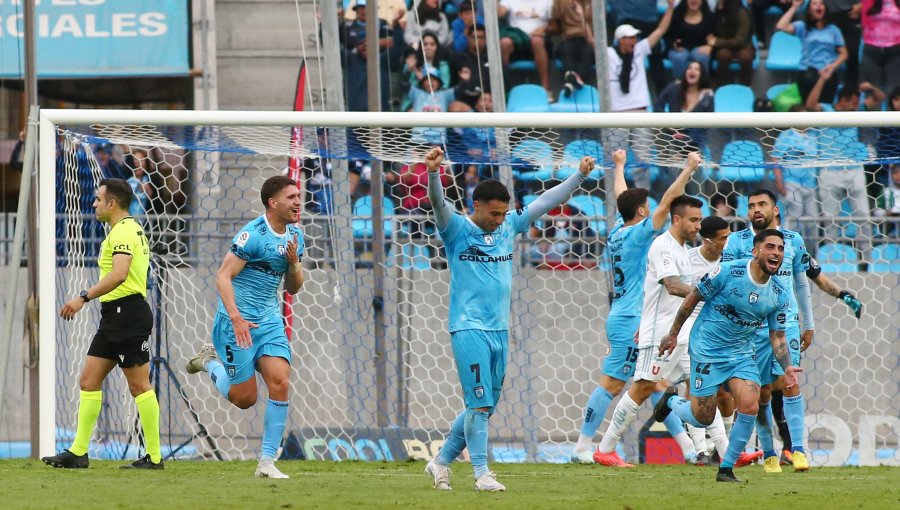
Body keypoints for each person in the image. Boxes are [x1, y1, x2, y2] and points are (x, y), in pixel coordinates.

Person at [422, 146, 594, 491]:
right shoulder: (455, 229)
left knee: (482, 406)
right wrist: (431, 173)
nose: (500, 220)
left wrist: (579, 176)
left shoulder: (508, 226)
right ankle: (481, 473)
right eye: (494, 214)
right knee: (480, 402)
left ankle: (440, 462)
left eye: (503, 214)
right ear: (477, 206)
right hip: (468, 327)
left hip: (500, 329)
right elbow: (439, 204)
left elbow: (545, 201)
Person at [570, 150, 701, 465]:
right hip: (632, 320)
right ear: (642, 211)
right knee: (614, 383)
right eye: (649, 209)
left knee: (655, 384)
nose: (654, 213)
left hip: (625, 315)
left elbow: (621, 197)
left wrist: (618, 166)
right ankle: (583, 447)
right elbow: (669, 202)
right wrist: (687, 170)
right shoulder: (640, 236)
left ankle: (690, 450)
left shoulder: (619, 230)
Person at [723, 190, 863, 473]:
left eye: (762, 204)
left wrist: (807, 324)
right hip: (750, 328)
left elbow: (801, 284)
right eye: (751, 206)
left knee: (791, 383)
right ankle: (769, 453)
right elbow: (727, 283)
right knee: (760, 392)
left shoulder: (793, 241)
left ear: (776, 209)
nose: (756, 210)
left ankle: (798, 450)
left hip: (784, 324)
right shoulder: (736, 242)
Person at [653, 229, 799, 483]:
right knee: (703, 417)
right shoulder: (728, 271)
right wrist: (673, 334)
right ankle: (672, 402)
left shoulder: (779, 294)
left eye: (781, 249)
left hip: (741, 353)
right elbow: (692, 297)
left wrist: (787, 367)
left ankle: (726, 469)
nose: (777, 253)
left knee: (751, 404)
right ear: (756, 251)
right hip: (707, 348)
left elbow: (777, 337)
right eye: (771, 247)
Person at [186, 176, 305, 479]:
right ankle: (211, 363)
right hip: (235, 322)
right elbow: (222, 277)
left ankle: (266, 463)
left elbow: (293, 288)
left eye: (299, 196)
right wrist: (236, 317)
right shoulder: (251, 235)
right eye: (291, 197)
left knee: (280, 381)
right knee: (245, 399)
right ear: (273, 202)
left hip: (268, 320)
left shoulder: (295, 236)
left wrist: (293, 263)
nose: (297, 202)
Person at [42, 178, 161, 470]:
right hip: (115, 315)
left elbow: (119, 274)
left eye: (98, 199)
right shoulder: (127, 229)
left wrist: (83, 297)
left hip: (127, 314)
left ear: (112, 203)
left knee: (139, 386)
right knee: (89, 380)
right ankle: (79, 452)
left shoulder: (123, 231)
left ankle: (155, 457)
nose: (93, 204)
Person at [590, 194, 708, 467]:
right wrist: (711, 293)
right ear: (676, 219)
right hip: (659, 335)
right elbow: (672, 286)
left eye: (700, 221)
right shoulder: (663, 246)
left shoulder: (682, 249)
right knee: (642, 388)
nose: (697, 226)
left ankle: (707, 451)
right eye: (693, 220)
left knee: (700, 386)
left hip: (681, 333)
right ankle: (605, 448)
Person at [679, 216, 732, 461]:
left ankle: (725, 447)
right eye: (723, 238)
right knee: (697, 387)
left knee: (726, 392)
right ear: (707, 240)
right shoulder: (687, 261)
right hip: (694, 329)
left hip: (725, 330)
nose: (728, 242)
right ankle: (701, 449)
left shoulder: (732, 261)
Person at [776, 0, 848, 104]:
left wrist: (832, 66)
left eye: (822, 4)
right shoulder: (803, 27)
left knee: (825, 108)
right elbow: (781, 26)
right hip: (808, 73)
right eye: (815, 4)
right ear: (809, 10)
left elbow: (844, 54)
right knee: (808, 109)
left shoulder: (833, 29)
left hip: (828, 74)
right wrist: (794, 7)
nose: (819, 6)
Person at [771, 105, 820, 241]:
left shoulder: (813, 136)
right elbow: (775, 158)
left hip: (810, 184)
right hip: (792, 182)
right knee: (794, 218)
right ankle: (788, 250)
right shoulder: (786, 136)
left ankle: (811, 254)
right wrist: (779, 183)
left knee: (812, 221)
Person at [499, 0, 553, 96]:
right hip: (517, 39)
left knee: (537, 41)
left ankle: (546, 89)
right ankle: (502, 88)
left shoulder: (548, 1)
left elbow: (555, 24)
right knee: (504, 42)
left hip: (539, 40)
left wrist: (544, 28)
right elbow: (499, 13)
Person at [710, 0, 756, 86]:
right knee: (723, 55)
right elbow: (716, 31)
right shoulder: (718, 12)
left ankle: (745, 87)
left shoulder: (741, 13)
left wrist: (718, 42)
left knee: (745, 57)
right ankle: (722, 87)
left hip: (743, 45)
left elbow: (741, 40)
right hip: (724, 46)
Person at [666, 0, 715, 79]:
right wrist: (673, 44)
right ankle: (680, 85)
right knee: (679, 57)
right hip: (680, 48)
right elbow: (667, 35)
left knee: (702, 57)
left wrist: (710, 46)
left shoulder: (709, 16)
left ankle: (703, 86)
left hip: (700, 48)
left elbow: (715, 36)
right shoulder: (676, 14)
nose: (694, 1)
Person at [860, 0, 900, 95]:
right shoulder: (869, 1)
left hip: (895, 50)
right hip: (872, 49)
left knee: (894, 90)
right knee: (872, 90)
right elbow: (864, 21)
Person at [824, 0, 862, 85]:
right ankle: (827, 85)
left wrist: (861, 5)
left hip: (852, 12)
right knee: (828, 51)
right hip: (829, 13)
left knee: (852, 52)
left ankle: (851, 89)